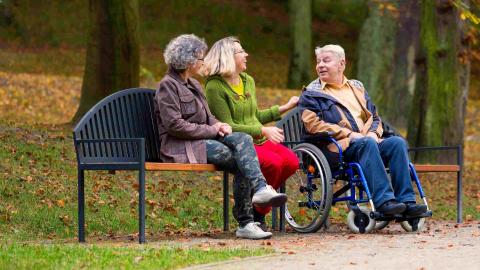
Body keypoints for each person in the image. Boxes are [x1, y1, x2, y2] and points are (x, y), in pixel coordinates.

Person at [154, 34, 288, 240]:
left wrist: (219, 124)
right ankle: (246, 222)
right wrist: (213, 130)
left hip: (202, 140)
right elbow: (174, 126)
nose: (203, 62)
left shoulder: (194, 85)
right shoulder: (168, 86)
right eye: (200, 59)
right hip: (183, 146)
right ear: (188, 62)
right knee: (240, 159)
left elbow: (208, 117)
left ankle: (261, 189)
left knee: (242, 139)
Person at [298, 44, 427, 216]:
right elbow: (312, 124)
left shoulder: (356, 88)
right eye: (318, 61)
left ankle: (407, 201)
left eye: (326, 60)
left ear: (341, 64)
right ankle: (384, 201)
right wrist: (350, 135)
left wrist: (373, 133)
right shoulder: (311, 93)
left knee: (396, 143)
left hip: (367, 142)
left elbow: (374, 116)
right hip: (337, 147)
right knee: (366, 144)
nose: (320, 65)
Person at [203, 37, 300, 230]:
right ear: (228, 57)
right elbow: (228, 125)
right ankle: (255, 214)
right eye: (241, 51)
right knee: (273, 164)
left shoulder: (248, 81)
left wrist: (284, 107)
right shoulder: (215, 87)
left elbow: (254, 115)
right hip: (239, 142)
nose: (246, 55)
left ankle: (258, 207)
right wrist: (262, 130)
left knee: (291, 162)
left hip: (259, 138)